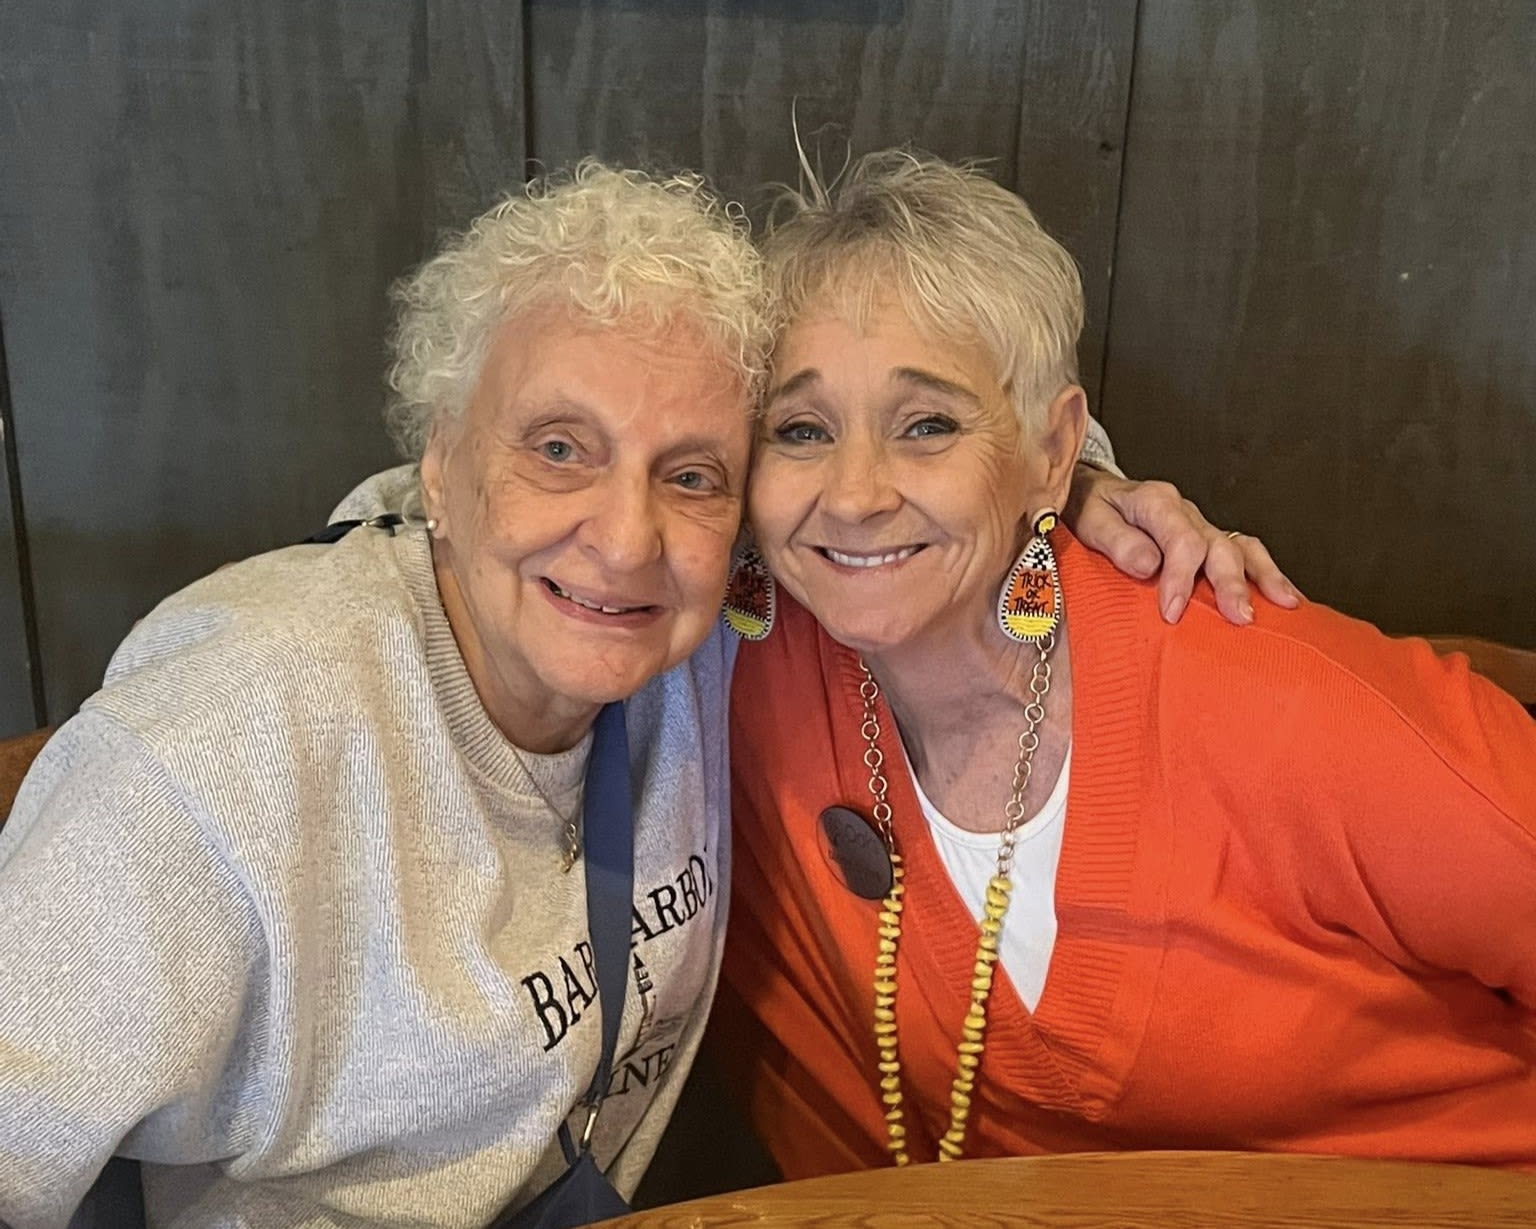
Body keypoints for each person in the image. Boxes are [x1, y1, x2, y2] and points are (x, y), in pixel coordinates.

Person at [0, 156, 1275, 1229]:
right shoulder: (221, 743)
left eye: (693, 474)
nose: (621, 538)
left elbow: (910, 428)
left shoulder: (715, 625)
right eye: (560, 449)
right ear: (438, 461)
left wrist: (1085, 485)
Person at [717, 150, 1536, 1178]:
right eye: (801, 429)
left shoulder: (1272, 699)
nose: (855, 492)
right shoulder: (732, 667)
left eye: (928, 424)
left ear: (1052, 452)